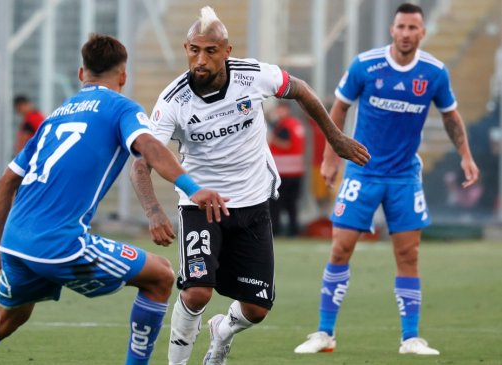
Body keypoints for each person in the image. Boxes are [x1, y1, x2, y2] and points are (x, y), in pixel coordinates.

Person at [0, 33, 229, 365]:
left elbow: (6, 182)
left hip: (15, 244)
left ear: (81, 74)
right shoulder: (122, 107)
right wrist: (193, 188)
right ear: (123, 75)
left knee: (5, 320)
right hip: (59, 243)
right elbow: (148, 147)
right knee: (161, 275)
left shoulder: (55, 117)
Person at [130, 6, 370, 365]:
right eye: (194, 50)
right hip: (201, 207)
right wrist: (153, 211)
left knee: (257, 309)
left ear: (227, 51)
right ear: (185, 49)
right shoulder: (173, 101)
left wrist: (335, 138)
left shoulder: (253, 75)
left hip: (254, 203)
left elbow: (300, 89)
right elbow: (141, 162)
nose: (201, 59)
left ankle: (222, 332)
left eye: (210, 51)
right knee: (197, 292)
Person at [294, 3, 479, 356]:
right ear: (391, 31)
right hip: (362, 171)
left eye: (413, 28)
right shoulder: (366, 65)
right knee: (340, 247)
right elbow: (339, 106)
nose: (407, 34)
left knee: (408, 254)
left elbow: (452, 117)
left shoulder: (435, 73)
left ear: (422, 33)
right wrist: (331, 156)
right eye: (401, 27)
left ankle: (410, 338)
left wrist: (467, 156)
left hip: (404, 177)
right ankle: (324, 333)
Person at [268, 100, 305, 236]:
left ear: (286, 109)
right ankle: (293, 230)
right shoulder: (296, 124)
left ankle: (276, 230)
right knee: (292, 204)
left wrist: (272, 139)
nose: (278, 112)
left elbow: (286, 144)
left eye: (280, 109)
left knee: (276, 203)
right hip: (297, 171)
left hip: (284, 171)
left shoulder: (284, 126)